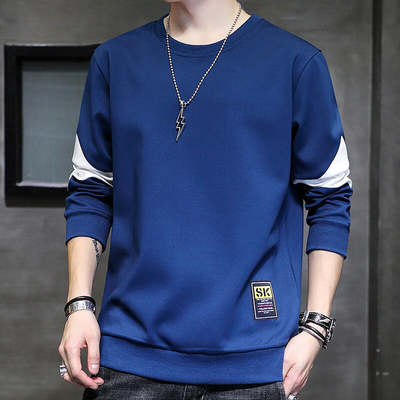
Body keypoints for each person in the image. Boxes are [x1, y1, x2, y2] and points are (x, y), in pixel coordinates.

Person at [58, 0, 354, 399]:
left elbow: (330, 198)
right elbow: (91, 190)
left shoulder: (296, 64)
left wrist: (315, 328)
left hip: (253, 365)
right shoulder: (114, 61)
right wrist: (79, 305)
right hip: (127, 360)